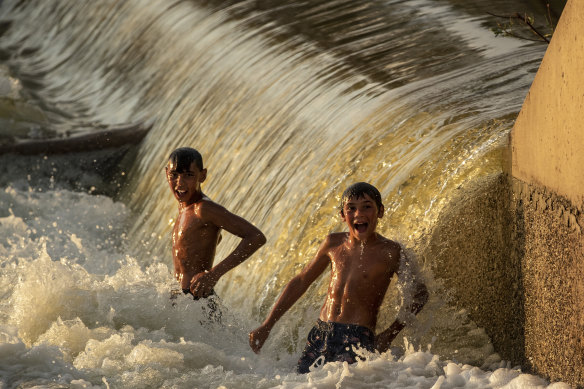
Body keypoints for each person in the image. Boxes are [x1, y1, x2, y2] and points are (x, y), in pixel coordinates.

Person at [249, 182, 428, 373]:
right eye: (351, 208)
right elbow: (301, 281)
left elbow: (420, 294)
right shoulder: (333, 244)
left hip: (356, 337)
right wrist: (267, 325)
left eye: (367, 207)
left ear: (380, 211)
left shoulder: (391, 252)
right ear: (343, 216)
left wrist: (389, 334)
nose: (358, 214)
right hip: (321, 332)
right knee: (301, 383)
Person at [166, 147, 266, 310]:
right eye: (174, 175)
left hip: (198, 302)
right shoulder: (185, 207)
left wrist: (214, 274)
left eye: (189, 175)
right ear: (166, 173)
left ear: (202, 175)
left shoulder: (203, 209)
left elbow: (256, 237)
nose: (180, 183)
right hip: (185, 301)